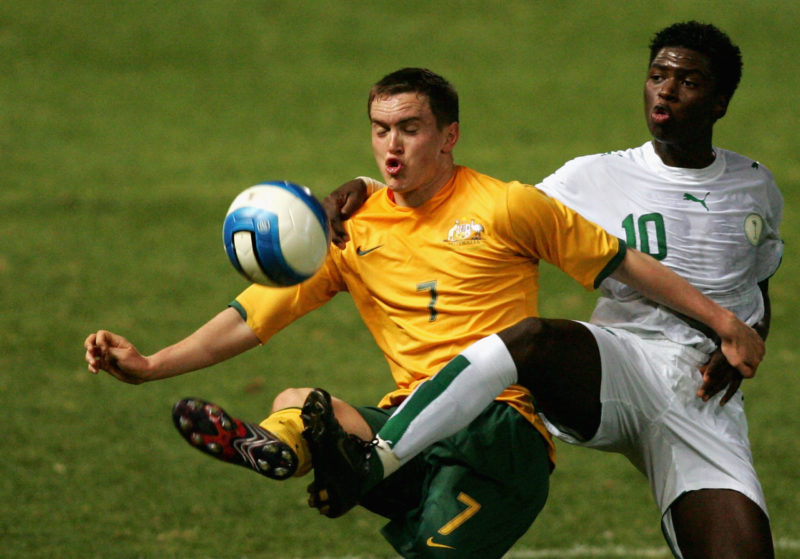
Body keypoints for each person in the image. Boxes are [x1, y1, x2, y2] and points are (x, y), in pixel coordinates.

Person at [84, 66, 765, 559]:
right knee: (300, 399)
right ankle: (279, 449)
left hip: (501, 436)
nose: (392, 147)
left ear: (449, 136)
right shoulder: (351, 227)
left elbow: (624, 263)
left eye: (410, 128)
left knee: (330, 425)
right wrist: (150, 365)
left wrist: (725, 321)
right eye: (381, 129)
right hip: (406, 421)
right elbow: (250, 316)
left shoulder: (508, 206)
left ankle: (315, 456)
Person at [314, 22, 782, 559]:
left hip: (703, 402)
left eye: (688, 81)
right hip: (620, 365)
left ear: (720, 102)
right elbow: (482, 211)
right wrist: (376, 188)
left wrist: (747, 339)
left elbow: (757, 286)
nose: (666, 91)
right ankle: (380, 458)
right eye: (657, 76)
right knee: (531, 339)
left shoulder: (757, 186)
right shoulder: (594, 176)